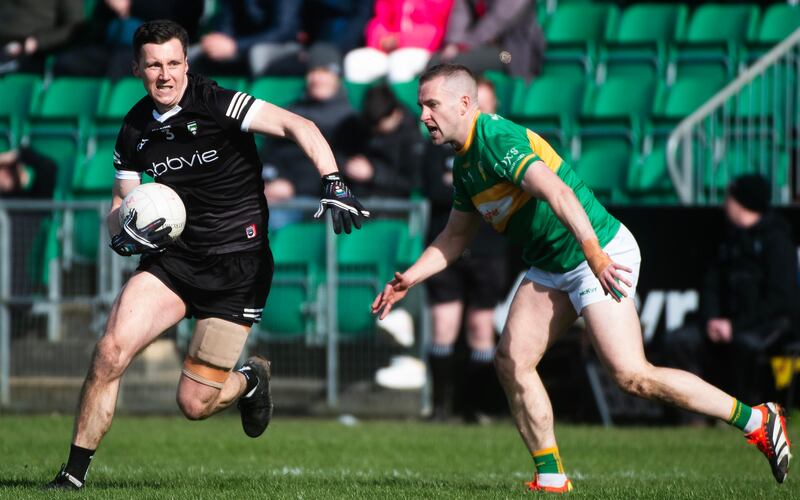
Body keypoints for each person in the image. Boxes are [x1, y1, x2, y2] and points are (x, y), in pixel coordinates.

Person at [371, 64, 791, 492]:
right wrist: (411, 279)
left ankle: (757, 419)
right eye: (421, 105)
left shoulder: (497, 139)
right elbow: (455, 237)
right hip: (552, 265)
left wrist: (595, 256)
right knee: (512, 363)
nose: (423, 114)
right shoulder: (465, 165)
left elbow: (559, 193)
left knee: (631, 375)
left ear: (464, 103)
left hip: (598, 252)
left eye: (431, 104)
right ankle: (550, 477)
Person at [46, 19, 369, 490]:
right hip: (175, 262)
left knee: (194, 404)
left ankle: (250, 382)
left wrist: (332, 178)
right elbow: (122, 203)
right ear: (137, 67)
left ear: (186, 64)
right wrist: (121, 232)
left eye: (174, 63)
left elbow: (297, 123)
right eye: (154, 64)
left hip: (239, 266)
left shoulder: (216, 102)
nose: (165, 74)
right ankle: (72, 476)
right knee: (109, 351)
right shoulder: (134, 129)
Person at [666, 174, 798, 410]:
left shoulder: (778, 241)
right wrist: (712, 320)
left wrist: (735, 327)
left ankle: (750, 416)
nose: (725, 203)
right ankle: (693, 415)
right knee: (680, 342)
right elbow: (711, 287)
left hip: (764, 326)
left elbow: (780, 301)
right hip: (723, 325)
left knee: (744, 347)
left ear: (741, 202)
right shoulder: (728, 240)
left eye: (730, 197)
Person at [422, 77, 507, 422]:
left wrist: (460, 188)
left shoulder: (500, 143)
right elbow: (432, 188)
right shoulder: (437, 146)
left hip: (487, 249)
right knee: (443, 326)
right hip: (447, 245)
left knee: (480, 329)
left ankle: (478, 406)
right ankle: (440, 406)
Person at [261, 43, 357, 229]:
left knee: (268, 221)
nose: (317, 78)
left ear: (337, 76)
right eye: (313, 71)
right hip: (275, 192)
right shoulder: (292, 111)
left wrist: (293, 187)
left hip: (314, 200)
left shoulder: (348, 121)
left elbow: (342, 169)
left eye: (324, 71)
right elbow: (268, 153)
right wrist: (268, 181)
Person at [340, 83, 424, 199]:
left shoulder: (412, 135)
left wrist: (374, 173)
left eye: (380, 125)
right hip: (358, 198)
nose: (375, 130)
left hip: (396, 204)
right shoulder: (356, 125)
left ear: (396, 114)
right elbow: (339, 155)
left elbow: (412, 181)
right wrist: (347, 166)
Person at [343, 0, 453, 83]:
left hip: (428, 51)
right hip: (390, 48)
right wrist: (381, 38)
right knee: (355, 61)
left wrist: (401, 40)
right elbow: (380, 19)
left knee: (400, 62)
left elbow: (440, 27)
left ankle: (407, 112)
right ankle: (359, 113)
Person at [433, 0, 545, 80]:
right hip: (483, 47)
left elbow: (499, 20)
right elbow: (462, 10)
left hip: (512, 54)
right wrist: (454, 43)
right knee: (439, 62)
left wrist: (466, 44)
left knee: (451, 63)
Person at [189, 0, 303, 77]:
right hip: (237, 45)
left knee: (258, 53)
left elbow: (284, 31)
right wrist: (218, 40)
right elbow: (226, 22)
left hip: (281, 46)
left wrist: (236, 45)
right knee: (190, 54)